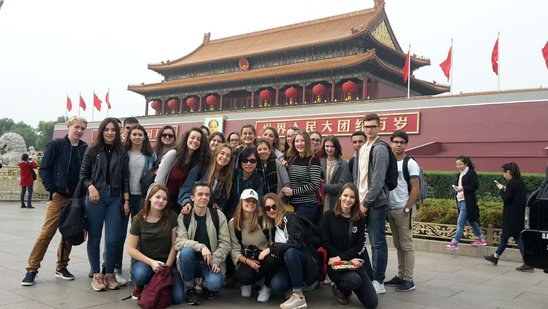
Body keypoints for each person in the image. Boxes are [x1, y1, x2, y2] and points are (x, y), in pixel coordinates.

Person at [21, 115, 88, 286]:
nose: (79, 131)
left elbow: (86, 172)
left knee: (69, 233)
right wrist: (52, 189)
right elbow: (45, 168)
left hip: (75, 198)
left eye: (82, 128)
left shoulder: (85, 149)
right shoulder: (56, 145)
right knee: (46, 234)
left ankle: (62, 266)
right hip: (58, 197)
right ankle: (32, 269)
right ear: (69, 126)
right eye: (77, 127)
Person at [80, 117, 130, 291]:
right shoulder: (92, 150)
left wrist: (126, 200)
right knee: (94, 237)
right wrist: (91, 186)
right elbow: (83, 174)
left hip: (115, 197)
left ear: (117, 132)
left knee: (112, 239)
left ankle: (109, 273)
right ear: (102, 131)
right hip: (96, 197)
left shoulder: (122, 151)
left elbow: (125, 178)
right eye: (107, 129)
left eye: (113, 130)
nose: (110, 133)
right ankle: (96, 274)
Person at [321, 183, 378, 308]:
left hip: (353, 262)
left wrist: (345, 259)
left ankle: (351, 285)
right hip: (335, 265)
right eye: (345, 195)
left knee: (372, 303)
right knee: (354, 280)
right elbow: (325, 242)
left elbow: (359, 245)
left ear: (356, 200)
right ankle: (340, 288)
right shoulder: (328, 216)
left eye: (352, 197)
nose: (348, 199)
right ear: (340, 196)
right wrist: (339, 259)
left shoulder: (359, 218)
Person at [175, 182, 231, 306]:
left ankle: (206, 286)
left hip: (210, 262)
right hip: (192, 261)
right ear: (192, 197)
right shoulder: (184, 216)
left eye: (207, 195)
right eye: (200, 194)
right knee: (186, 251)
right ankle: (190, 288)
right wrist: (200, 247)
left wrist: (216, 260)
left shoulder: (218, 215)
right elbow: (179, 242)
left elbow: (225, 243)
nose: (204, 197)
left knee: (214, 284)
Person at [115, 124, 157, 285]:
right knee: (118, 234)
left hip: (142, 198)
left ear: (144, 137)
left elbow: (154, 177)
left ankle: (136, 271)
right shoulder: (122, 153)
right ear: (129, 136)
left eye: (141, 134)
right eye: (134, 134)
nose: (137, 137)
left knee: (140, 236)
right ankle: (114, 268)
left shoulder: (150, 155)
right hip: (123, 196)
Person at [127, 184, 184, 303]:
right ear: (150, 198)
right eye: (157, 197)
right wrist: (152, 263)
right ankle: (140, 285)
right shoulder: (139, 219)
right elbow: (131, 249)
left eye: (164, 198)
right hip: (144, 262)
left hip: (165, 263)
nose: (161, 201)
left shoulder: (172, 217)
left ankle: (154, 281)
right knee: (141, 275)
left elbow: (175, 245)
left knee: (178, 298)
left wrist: (167, 267)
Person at [260, 193, 318, 309]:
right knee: (276, 287)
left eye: (274, 206)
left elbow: (295, 243)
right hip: (285, 264)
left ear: (279, 205)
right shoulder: (270, 224)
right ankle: (291, 289)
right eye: (267, 208)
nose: (271, 210)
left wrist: (271, 249)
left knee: (290, 251)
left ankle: (299, 296)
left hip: (301, 259)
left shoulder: (290, 218)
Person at [353, 113, 389, 294]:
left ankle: (379, 280)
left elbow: (378, 181)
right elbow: (358, 178)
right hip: (360, 202)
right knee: (359, 242)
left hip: (374, 204)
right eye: (366, 127)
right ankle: (368, 273)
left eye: (373, 126)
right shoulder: (363, 148)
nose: (369, 130)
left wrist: (365, 203)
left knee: (377, 243)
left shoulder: (380, 148)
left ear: (379, 127)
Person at [384, 130, 418, 292]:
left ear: (406, 144)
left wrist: (408, 207)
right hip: (391, 209)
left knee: (407, 245)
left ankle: (409, 280)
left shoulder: (410, 163)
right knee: (398, 244)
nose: (398, 145)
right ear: (391, 142)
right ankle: (400, 275)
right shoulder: (389, 161)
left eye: (401, 142)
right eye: (396, 142)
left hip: (404, 209)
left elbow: (415, 188)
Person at [484, 162, 532, 272]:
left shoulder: (512, 183)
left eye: (503, 172)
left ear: (508, 172)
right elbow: (515, 196)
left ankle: (528, 262)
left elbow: (507, 199)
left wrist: (501, 189)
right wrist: (506, 189)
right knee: (505, 236)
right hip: (518, 214)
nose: (503, 175)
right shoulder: (520, 182)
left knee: (517, 237)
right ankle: (495, 257)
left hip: (511, 215)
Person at [228, 189, 271, 301]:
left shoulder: (264, 220)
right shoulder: (233, 223)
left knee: (271, 264)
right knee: (244, 277)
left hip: (266, 256)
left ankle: (266, 285)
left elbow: (272, 242)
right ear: (241, 202)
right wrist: (248, 262)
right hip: (248, 257)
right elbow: (234, 250)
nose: (250, 204)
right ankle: (249, 283)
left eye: (253, 201)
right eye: (247, 200)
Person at [155, 127, 210, 213]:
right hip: (164, 199)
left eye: (198, 139)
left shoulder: (198, 163)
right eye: (192, 137)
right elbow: (159, 181)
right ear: (186, 139)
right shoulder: (173, 155)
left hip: (181, 202)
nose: (195, 141)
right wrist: (159, 199)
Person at [178, 143, 234, 214]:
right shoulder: (202, 167)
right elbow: (186, 187)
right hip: (192, 209)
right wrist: (186, 202)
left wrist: (217, 205)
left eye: (228, 156)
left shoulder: (227, 176)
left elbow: (222, 199)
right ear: (216, 154)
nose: (224, 157)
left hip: (208, 214)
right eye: (222, 153)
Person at [445, 155, 487, 250]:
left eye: (460, 164)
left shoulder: (470, 173)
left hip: (467, 201)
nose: (458, 166)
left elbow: (475, 186)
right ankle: (481, 240)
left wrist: (463, 188)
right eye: (457, 164)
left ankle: (454, 243)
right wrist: (457, 188)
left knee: (460, 222)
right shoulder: (460, 174)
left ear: (466, 164)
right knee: (471, 221)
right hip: (460, 200)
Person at [283, 130, 321, 223]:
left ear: (307, 142)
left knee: (301, 232)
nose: (299, 144)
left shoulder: (313, 160)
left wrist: (293, 192)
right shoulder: (292, 159)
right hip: (291, 205)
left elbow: (314, 185)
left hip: (307, 205)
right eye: (296, 141)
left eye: (302, 141)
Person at [226, 147, 264, 220]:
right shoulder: (233, 174)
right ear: (240, 161)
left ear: (257, 162)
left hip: (247, 215)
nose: (248, 164)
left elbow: (259, 199)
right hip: (229, 214)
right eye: (245, 160)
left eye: (252, 161)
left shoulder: (258, 179)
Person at [320, 135, 351, 211]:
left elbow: (341, 186)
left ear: (337, 147)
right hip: (320, 203)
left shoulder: (344, 165)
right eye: (327, 146)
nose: (329, 149)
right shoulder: (320, 163)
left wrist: (321, 186)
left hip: (336, 202)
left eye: (332, 146)